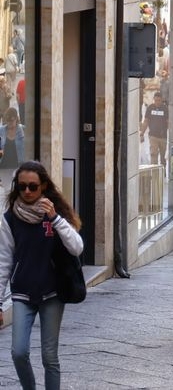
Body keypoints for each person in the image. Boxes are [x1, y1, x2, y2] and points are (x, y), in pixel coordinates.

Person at [0, 161, 84, 389]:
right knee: (18, 352)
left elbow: (77, 247)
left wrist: (56, 219)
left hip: (52, 293)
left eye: (33, 187)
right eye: (22, 186)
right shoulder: (9, 219)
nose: (27, 191)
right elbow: (4, 261)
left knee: (49, 356)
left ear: (44, 186)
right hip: (22, 293)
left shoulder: (55, 215)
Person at [139, 92, 169, 166]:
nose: (157, 102)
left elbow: (168, 122)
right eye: (156, 100)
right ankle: (154, 174)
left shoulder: (165, 109)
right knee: (153, 154)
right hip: (153, 136)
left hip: (163, 137)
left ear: (161, 100)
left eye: (159, 100)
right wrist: (142, 133)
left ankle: (163, 173)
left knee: (163, 157)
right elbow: (146, 121)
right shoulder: (150, 108)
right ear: (153, 100)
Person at [0, 107, 26, 172]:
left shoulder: (23, 130)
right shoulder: (1, 130)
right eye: (8, 121)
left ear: (16, 119)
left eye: (12, 120)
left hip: (19, 166)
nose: (9, 123)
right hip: (3, 167)